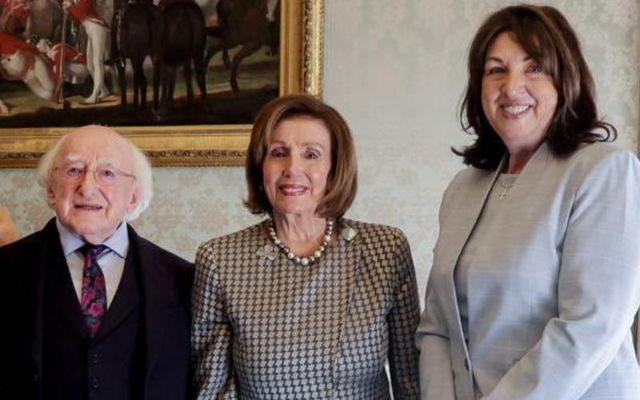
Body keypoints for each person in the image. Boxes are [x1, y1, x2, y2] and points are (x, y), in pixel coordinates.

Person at [416, 4, 640, 400]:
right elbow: (437, 327)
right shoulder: (462, 189)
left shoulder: (605, 171)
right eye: (495, 69)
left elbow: (591, 326)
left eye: (534, 67)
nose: (511, 85)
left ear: (564, 79)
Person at [191, 94, 421, 399]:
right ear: (261, 166)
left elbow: (412, 382)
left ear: (335, 167)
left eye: (311, 154)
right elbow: (214, 392)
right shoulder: (220, 260)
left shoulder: (385, 250)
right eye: (278, 152)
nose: (292, 167)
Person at [0, 125, 193, 400]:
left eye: (107, 173)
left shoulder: (184, 279)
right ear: (51, 190)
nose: (87, 187)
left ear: (134, 197)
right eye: (73, 170)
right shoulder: (5, 268)